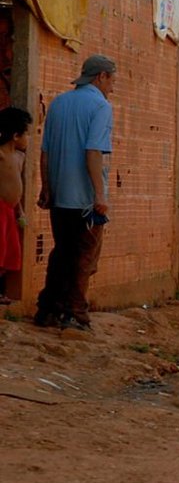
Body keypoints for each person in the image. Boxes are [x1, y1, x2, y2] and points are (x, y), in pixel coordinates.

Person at [34, 54, 116, 331]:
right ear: (101, 77)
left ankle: (47, 310)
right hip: (85, 199)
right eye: (111, 80)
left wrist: (46, 187)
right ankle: (75, 314)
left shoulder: (59, 103)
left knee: (62, 252)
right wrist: (100, 195)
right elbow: (93, 151)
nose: (112, 87)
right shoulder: (101, 106)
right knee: (84, 256)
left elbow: (44, 152)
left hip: (59, 195)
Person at [0, 107, 32, 305]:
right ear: (15, 135)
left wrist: (20, 211)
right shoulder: (1, 155)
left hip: (10, 211)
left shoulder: (20, 157)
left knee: (9, 252)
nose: (28, 138)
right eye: (26, 133)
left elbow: (18, 187)